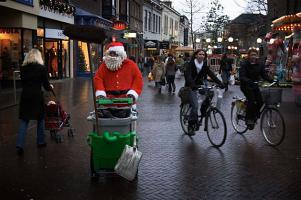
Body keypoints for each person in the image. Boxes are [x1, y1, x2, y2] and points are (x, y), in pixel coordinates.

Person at [16, 49, 53, 155]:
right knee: (40, 119)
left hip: (26, 96)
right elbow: (46, 85)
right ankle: (40, 141)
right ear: (38, 57)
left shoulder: (23, 68)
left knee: (24, 120)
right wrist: (50, 87)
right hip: (37, 96)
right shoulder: (41, 68)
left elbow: (23, 82)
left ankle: (19, 145)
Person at [184, 49, 224, 136]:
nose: (202, 56)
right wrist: (192, 84)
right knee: (195, 106)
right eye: (200, 54)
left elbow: (211, 74)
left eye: (203, 55)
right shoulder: (190, 64)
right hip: (191, 86)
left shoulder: (204, 65)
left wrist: (220, 83)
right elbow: (188, 75)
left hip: (200, 85)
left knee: (210, 94)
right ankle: (191, 126)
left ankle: (203, 112)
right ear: (196, 55)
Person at [239, 49, 273, 130]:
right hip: (245, 86)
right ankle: (248, 119)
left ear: (257, 56)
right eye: (252, 55)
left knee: (260, 101)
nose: (253, 56)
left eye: (255, 55)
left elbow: (264, 75)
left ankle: (254, 116)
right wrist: (249, 81)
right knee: (251, 100)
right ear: (248, 56)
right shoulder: (244, 64)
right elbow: (242, 76)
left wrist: (271, 79)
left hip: (254, 86)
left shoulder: (260, 64)